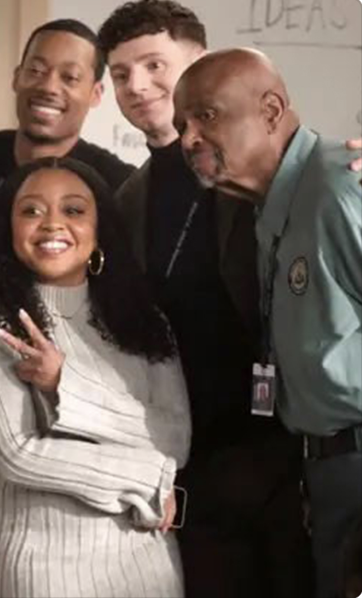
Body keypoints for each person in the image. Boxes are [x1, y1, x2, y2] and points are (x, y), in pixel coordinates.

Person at [96, 3, 314, 596]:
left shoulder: (272, 171)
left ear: (200, 64)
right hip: (196, 464)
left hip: (294, 450)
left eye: (153, 65)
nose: (137, 86)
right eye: (120, 73)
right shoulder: (128, 198)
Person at [174, 48, 362, 598]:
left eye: (206, 116)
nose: (188, 139)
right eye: (182, 124)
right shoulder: (266, 208)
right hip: (321, 471)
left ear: (272, 110)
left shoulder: (342, 185)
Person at [0, 156, 190, 597]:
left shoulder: (144, 319)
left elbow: (175, 439)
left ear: (100, 227)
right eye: (31, 210)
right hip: (41, 565)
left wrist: (66, 384)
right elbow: (19, 453)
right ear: (9, 226)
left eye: (74, 210)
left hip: (146, 562)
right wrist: (146, 479)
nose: (52, 224)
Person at [0, 19, 134, 266]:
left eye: (69, 77)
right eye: (36, 71)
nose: (48, 87)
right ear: (17, 78)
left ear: (95, 94)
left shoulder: (117, 185)